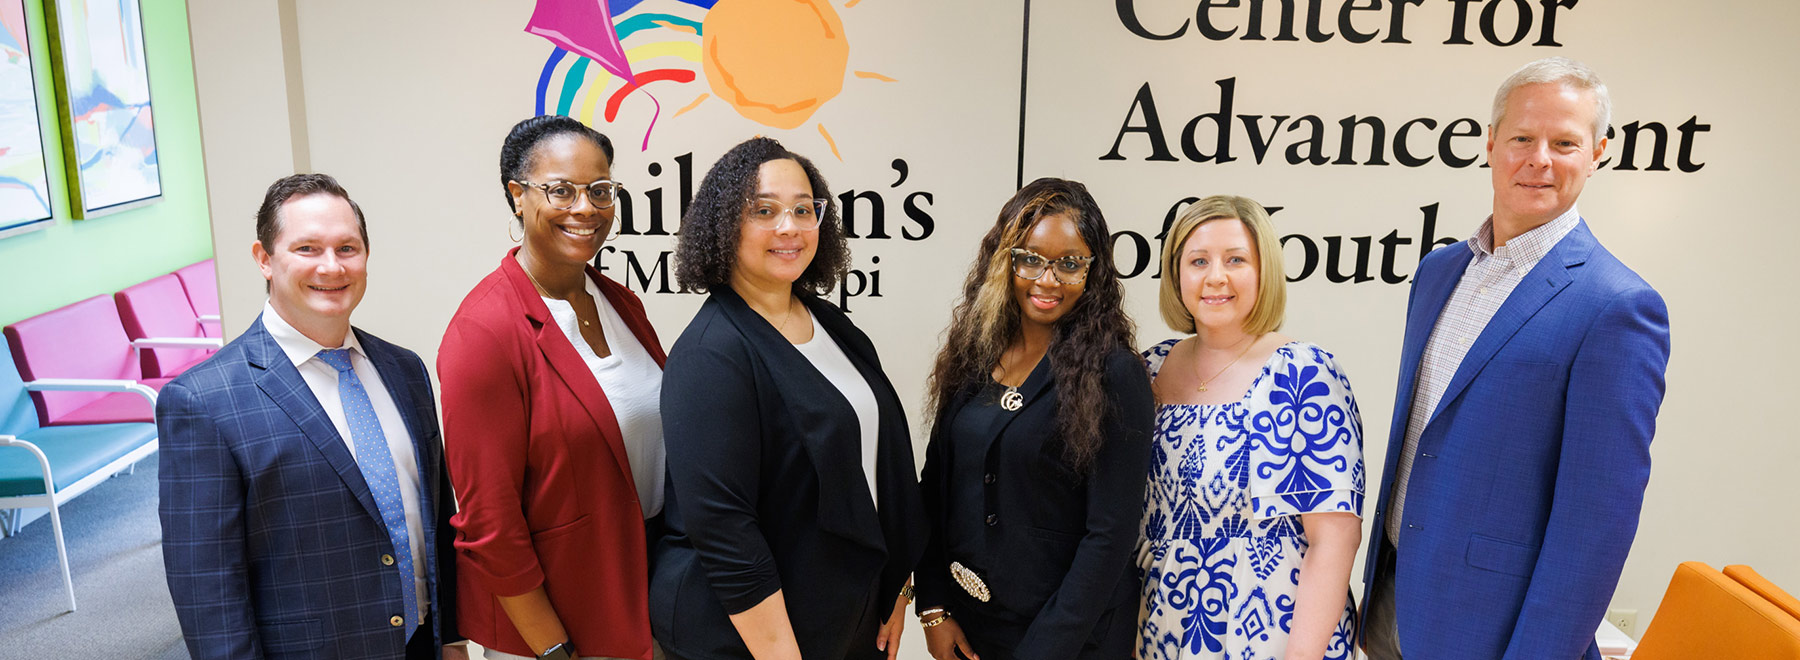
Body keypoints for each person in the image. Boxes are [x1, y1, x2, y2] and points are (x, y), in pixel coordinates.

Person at [1360, 57, 1672, 660]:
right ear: (1490, 144)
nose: (1540, 159)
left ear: (1599, 152)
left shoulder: (1619, 307)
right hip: (1394, 599)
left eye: (1565, 142)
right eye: (1523, 138)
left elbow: (1596, 527)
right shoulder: (1439, 271)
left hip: (1492, 631)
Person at [157, 173, 463, 659]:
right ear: (264, 259)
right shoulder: (203, 402)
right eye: (307, 248)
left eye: (347, 248)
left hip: (421, 645)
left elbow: (438, 519)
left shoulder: (406, 370)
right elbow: (207, 587)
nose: (332, 266)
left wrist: (451, 638)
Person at [650, 137, 926, 660]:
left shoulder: (833, 326)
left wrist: (895, 588)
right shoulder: (711, 356)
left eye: (804, 209)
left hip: (843, 618)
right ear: (725, 224)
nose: (789, 227)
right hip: (749, 638)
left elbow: (879, 469)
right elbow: (726, 534)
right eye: (764, 210)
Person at [437, 115, 666, 660]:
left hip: (642, 597)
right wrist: (552, 649)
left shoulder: (620, 302)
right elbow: (488, 523)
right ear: (517, 196)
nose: (585, 208)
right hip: (558, 626)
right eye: (560, 190)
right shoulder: (483, 332)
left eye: (601, 190)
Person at [913, 177, 1154, 660]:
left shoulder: (1116, 373)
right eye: (1030, 258)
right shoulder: (973, 354)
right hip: (974, 630)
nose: (1048, 280)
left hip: (1071, 642)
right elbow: (935, 486)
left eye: (1069, 264)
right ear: (1005, 262)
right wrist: (935, 606)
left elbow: (1109, 536)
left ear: (1094, 271)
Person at [1135, 196, 1365, 660]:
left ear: (1265, 272)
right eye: (1198, 260)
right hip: (1160, 625)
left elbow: (1334, 539)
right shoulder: (1148, 369)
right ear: (1176, 275)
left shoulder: (1302, 373)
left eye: (1236, 259)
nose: (1215, 276)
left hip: (1271, 632)